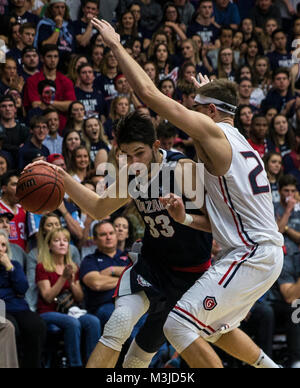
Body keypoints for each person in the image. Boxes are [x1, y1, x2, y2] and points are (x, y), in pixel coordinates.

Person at [89, 18, 284, 368]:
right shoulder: (240, 143)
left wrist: (116, 46)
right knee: (212, 330)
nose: (188, 117)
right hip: (259, 253)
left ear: (210, 114)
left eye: (196, 110)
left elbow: (149, 95)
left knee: (178, 323)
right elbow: (218, 222)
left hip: (250, 253)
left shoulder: (214, 137)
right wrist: (185, 218)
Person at [26, 109, 213, 369]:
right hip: (152, 264)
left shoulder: (182, 169)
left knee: (139, 358)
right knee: (119, 323)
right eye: (127, 154)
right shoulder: (131, 173)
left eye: (140, 153)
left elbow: (217, 226)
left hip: (190, 274)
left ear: (156, 146)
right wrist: (60, 176)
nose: (134, 160)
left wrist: (185, 219)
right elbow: (99, 208)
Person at [36, 227, 100, 368]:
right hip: (48, 312)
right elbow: (47, 297)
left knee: (93, 321)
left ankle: (94, 365)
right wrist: (62, 278)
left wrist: (71, 281)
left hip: (72, 310)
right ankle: (75, 365)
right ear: (49, 246)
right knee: (72, 323)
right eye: (57, 240)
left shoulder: (73, 266)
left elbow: (80, 297)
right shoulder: (42, 267)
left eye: (65, 240)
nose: (62, 243)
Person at [0, 229, 47, 368]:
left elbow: (22, 288)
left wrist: (9, 267)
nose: (1, 249)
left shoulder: (14, 265)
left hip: (18, 307)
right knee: (12, 327)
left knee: (36, 325)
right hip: (2, 309)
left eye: (3, 245)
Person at [79, 221, 132, 331]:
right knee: (122, 317)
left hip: (132, 302)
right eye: (103, 234)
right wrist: (127, 278)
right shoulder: (90, 260)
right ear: (95, 240)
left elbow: (138, 276)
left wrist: (112, 270)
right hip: (105, 305)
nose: (108, 237)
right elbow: (96, 283)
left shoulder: (129, 257)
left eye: (111, 233)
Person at [27, 213, 81, 311]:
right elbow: (32, 287)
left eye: (57, 224)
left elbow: (79, 292)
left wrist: (72, 282)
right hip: (47, 306)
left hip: (71, 306)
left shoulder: (72, 250)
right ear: (43, 230)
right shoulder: (34, 255)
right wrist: (31, 310)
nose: (54, 228)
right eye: (49, 225)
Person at [23, 44, 76, 133]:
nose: (53, 60)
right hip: (40, 129)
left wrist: (46, 102)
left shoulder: (66, 81)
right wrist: (61, 105)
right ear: (42, 58)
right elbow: (35, 104)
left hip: (63, 129)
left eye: (55, 56)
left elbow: (71, 105)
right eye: (49, 56)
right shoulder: (32, 80)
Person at [0, 171, 26, 251]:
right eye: (14, 184)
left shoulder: (24, 210)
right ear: (4, 188)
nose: (18, 188)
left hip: (22, 257)